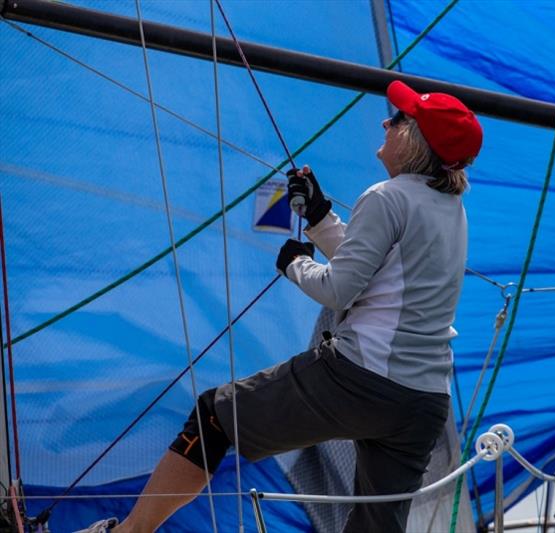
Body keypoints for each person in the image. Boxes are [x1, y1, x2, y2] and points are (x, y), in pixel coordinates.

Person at [78, 80, 482, 533]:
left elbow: (339, 290)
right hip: (424, 402)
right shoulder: (451, 208)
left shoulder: (386, 196)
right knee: (375, 527)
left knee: (215, 416)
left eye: (400, 118)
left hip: (362, 380)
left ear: (414, 141)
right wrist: (320, 217)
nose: (387, 122)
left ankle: (129, 532)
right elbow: (375, 271)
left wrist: (296, 264)